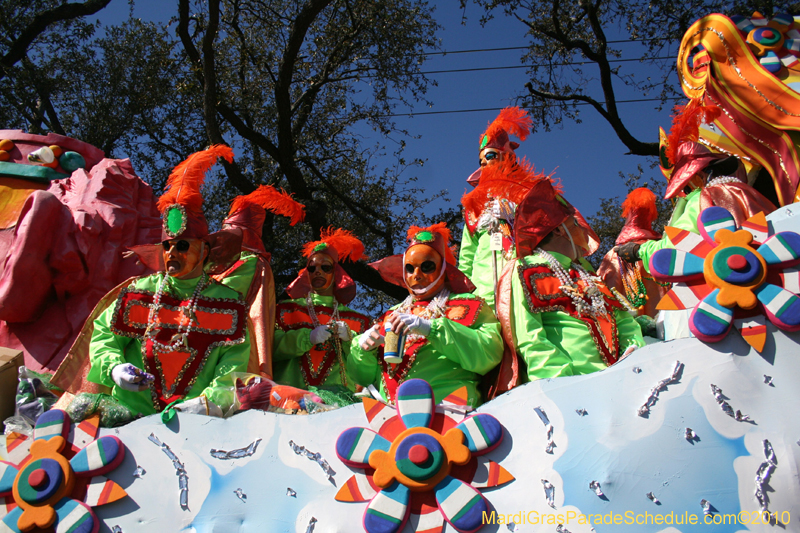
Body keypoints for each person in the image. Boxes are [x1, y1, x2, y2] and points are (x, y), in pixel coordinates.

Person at [85, 145, 250, 418]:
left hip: (196, 425)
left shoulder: (228, 303)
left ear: (204, 251)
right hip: (128, 418)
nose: (172, 253)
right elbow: (104, 336)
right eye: (167, 245)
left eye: (183, 245)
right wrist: (113, 368)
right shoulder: (139, 291)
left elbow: (234, 363)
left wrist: (210, 402)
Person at [497, 179, 645, 381]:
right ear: (558, 229)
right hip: (571, 389)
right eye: (574, 223)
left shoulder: (587, 274)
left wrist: (634, 352)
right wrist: (562, 385)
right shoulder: (525, 268)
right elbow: (530, 338)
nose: (582, 230)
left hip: (626, 377)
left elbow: (624, 321)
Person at [349, 223, 503, 407]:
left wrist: (432, 328)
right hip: (391, 421)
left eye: (427, 266)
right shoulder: (390, 315)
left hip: (450, 413)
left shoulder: (469, 304)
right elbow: (363, 377)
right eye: (410, 268)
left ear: (442, 268)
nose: (417, 275)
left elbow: (489, 354)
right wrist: (363, 350)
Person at [619, 121, 777, 271]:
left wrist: (640, 250)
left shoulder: (704, 198)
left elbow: (679, 244)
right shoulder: (748, 191)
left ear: (698, 173)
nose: (687, 190)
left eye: (687, 182)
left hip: (730, 278)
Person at [459, 107, 549, 311]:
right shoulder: (474, 206)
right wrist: (463, 292)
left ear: (507, 157)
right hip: (483, 290)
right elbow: (467, 255)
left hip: (527, 280)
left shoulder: (529, 193)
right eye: (481, 161)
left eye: (490, 156)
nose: (484, 164)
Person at [215, 185, 305, 378]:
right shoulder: (216, 265)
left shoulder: (254, 264)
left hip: (236, 351)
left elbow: (258, 313)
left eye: (230, 232)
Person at [272, 228, 371, 394]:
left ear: (336, 273)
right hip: (289, 401)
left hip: (339, 405)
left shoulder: (358, 320)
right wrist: (307, 337)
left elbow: (368, 364)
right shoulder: (285, 310)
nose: (318, 271)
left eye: (325, 267)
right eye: (312, 268)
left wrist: (350, 339)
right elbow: (269, 348)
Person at [598, 187, 669, 321]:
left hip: (630, 329)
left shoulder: (614, 255)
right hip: (667, 323)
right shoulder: (661, 250)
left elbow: (604, 292)